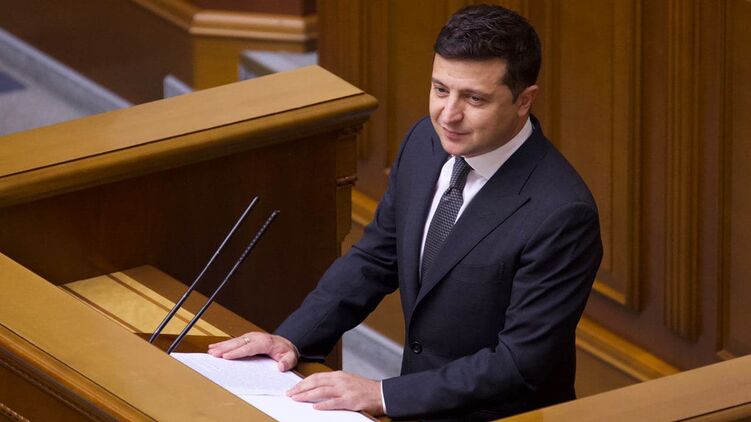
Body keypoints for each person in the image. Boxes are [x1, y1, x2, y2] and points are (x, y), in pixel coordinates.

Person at [208, 4, 602, 420]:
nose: (448, 115)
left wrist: (382, 395)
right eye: (440, 89)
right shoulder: (424, 142)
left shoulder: (562, 213)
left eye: (474, 98)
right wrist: (291, 340)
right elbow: (376, 258)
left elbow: (519, 364)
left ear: (525, 101)